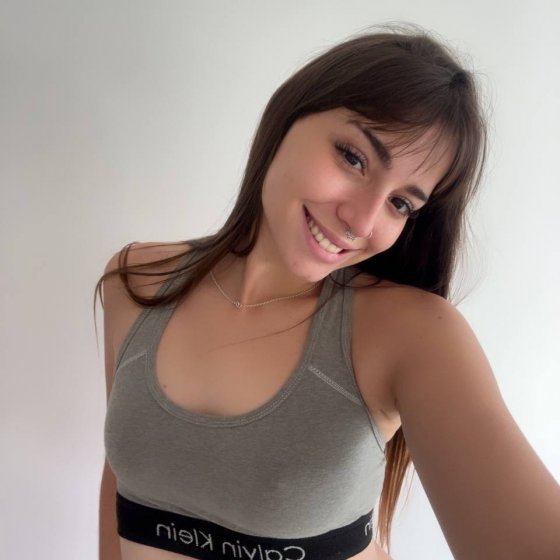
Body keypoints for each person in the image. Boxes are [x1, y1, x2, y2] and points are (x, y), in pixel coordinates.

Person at [95, 26, 560, 560]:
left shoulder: (412, 336)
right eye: (354, 158)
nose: (362, 221)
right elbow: (120, 479)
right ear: (290, 115)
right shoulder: (137, 280)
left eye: (401, 204)